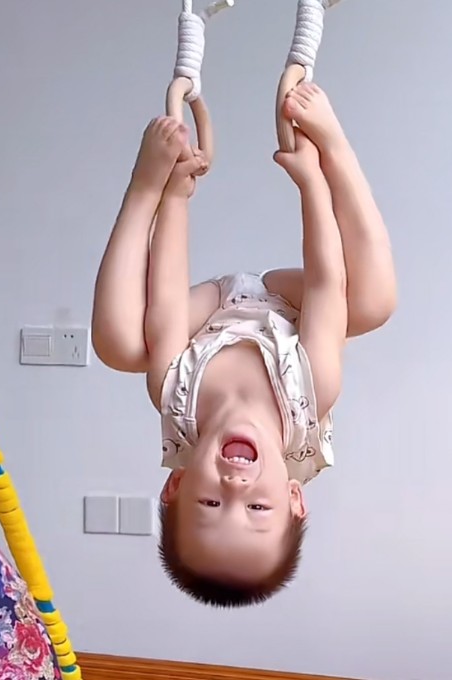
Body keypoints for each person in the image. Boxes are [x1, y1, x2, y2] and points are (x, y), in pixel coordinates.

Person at [91, 82, 396, 607]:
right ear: (294, 497)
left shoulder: (175, 399)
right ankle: (337, 146)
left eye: (209, 501)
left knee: (119, 344)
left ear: (176, 487)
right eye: (259, 509)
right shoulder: (313, 392)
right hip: (286, 303)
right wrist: (311, 181)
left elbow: (165, 302)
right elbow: (327, 283)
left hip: (211, 309)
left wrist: (171, 193)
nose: (235, 486)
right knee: (373, 302)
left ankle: (137, 190)